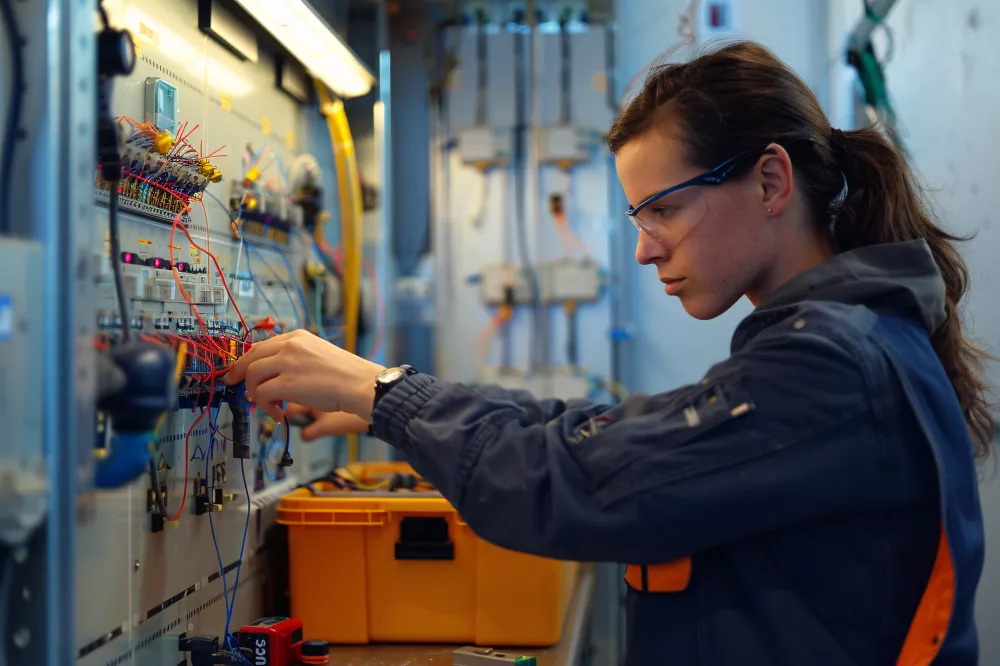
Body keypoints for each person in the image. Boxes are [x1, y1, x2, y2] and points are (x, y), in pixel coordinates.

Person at [225, 41, 989, 666]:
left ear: (770, 181)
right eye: (637, 214)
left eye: (665, 209)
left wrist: (387, 392)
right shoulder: (847, 340)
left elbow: (585, 483)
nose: (642, 249)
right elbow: (611, 438)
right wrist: (389, 405)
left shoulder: (830, 364)